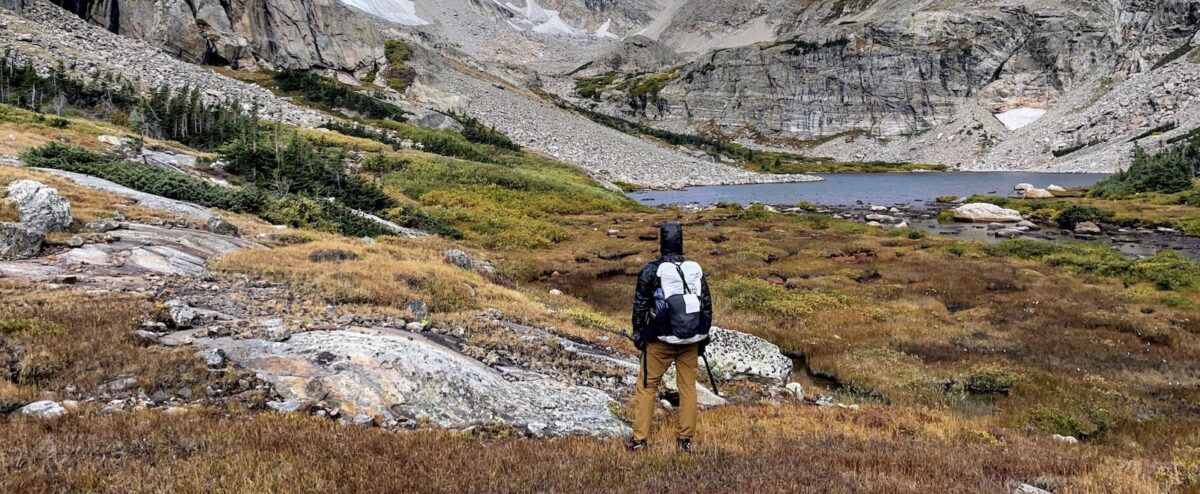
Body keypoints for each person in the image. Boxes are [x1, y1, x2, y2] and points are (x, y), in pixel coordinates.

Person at [624, 222, 713, 453]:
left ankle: (639, 440)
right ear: (681, 242)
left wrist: (638, 334)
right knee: (688, 388)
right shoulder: (694, 269)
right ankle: (686, 440)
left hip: (659, 340)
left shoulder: (651, 270)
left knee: (647, 387)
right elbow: (706, 305)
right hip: (691, 339)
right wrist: (703, 336)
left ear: (662, 242)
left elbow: (640, 305)